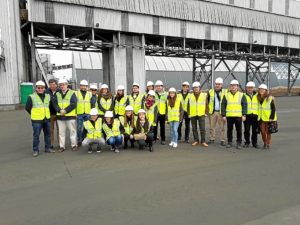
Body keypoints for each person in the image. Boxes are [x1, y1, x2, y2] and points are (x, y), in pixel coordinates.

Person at [26, 80, 54, 157]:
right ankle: (35, 150)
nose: (40, 89)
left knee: (48, 135)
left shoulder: (48, 96)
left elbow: (50, 106)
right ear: (36, 88)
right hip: (36, 120)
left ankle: (47, 148)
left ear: (44, 88)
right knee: (36, 135)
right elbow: (28, 108)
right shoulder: (31, 97)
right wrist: (35, 114)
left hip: (46, 119)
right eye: (39, 88)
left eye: (42, 88)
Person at [221, 80, 247, 149]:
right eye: (232, 85)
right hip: (229, 116)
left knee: (239, 130)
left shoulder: (241, 95)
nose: (233, 87)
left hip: (238, 116)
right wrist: (223, 115)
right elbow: (223, 105)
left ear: (237, 87)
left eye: (234, 85)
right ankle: (229, 142)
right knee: (229, 130)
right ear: (230, 86)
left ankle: (239, 143)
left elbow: (244, 105)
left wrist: (244, 115)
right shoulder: (226, 95)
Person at [53, 79, 77, 152]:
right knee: (61, 132)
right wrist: (59, 110)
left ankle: (74, 145)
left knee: (72, 131)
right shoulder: (57, 94)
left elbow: (73, 104)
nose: (62, 86)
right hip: (60, 116)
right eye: (61, 85)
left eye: (64, 84)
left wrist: (65, 110)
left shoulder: (72, 93)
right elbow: (54, 104)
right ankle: (62, 146)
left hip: (70, 116)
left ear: (67, 85)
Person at [187, 81, 209, 147]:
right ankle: (196, 140)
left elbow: (207, 104)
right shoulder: (190, 96)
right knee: (194, 128)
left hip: (201, 114)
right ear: (193, 88)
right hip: (193, 114)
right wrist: (189, 113)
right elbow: (188, 105)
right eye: (194, 87)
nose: (196, 89)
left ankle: (203, 141)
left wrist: (206, 112)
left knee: (202, 128)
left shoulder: (204, 95)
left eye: (197, 87)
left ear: (199, 88)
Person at [207, 77, 227, 146]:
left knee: (222, 127)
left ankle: (222, 140)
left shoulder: (225, 92)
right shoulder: (210, 91)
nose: (217, 85)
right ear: (214, 84)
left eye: (219, 84)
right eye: (216, 84)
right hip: (212, 112)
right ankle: (212, 138)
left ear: (221, 85)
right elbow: (208, 101)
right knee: (212, 126)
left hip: (221, 112)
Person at [257, 84, 277, 149]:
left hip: (269, 118)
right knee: (262, 132)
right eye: (260, 89)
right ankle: (265, 142)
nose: (261, 91)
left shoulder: (270, 98)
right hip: (262, 118)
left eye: (263, 90)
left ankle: (267, 143)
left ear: (266, 90)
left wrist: (271, 117)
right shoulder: (258, 97)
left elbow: (273, 109)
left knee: (268, 132)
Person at [76, 80, 92, 146]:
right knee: (79, 128)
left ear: (87, 87)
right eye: (82, 85)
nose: (83, 87)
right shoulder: (76, 93)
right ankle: (79, 140)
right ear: (80, 86)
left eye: (85, 86)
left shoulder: (89, 94)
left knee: (87, 128)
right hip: (79, 113)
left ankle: (85, 139)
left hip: (87, 113)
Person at [243, 81, 259, 148]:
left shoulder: (258, 95)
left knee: (255, 131)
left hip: (255, 115)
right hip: (247, 115)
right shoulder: (243, 95)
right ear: (246, 88)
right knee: (246, 130)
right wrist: (243, 114)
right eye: (248, 88)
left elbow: (265, 96)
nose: (250, 89)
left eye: (251, 88)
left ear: (254, 88)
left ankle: (254, 143)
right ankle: (247, 142)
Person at [45, 78, 59, 150]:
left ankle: (60, 143)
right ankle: (51, 144)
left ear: (56, 85)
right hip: (50, 114)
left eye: (54, 84)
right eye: (50, 84)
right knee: (51, 130)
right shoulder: (46, 92)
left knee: (59, 129)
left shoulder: (60, 91)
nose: (52, 86)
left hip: (59, 114)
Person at [154, 80, 167, 145]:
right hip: (155, 113)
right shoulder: (153, 94)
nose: (158, 87)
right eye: (157, 86)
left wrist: (167, 115)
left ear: (162, 87)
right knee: (155, 126)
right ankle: (154, 138)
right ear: (155, 87)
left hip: (162, 113)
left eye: (160, 86)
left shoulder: (166, 94)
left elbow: (167, 105)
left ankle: (163, 139)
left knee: (162, 127)